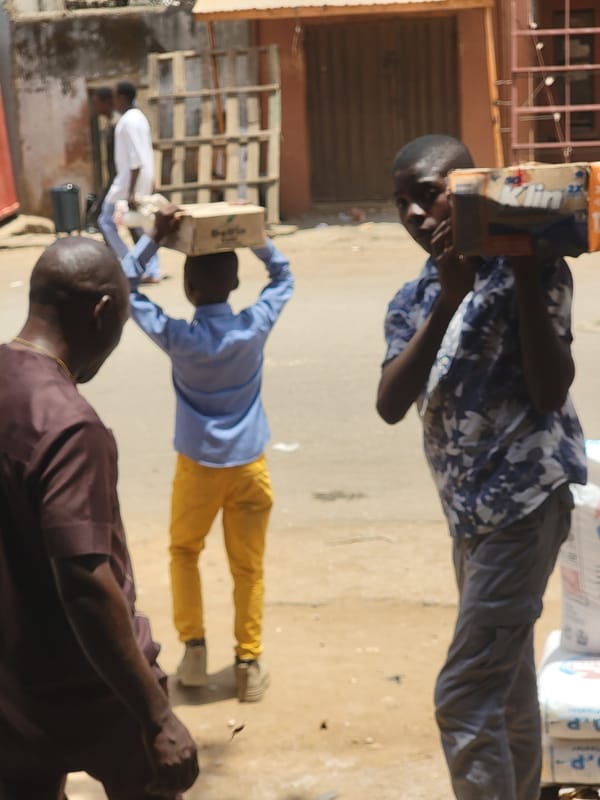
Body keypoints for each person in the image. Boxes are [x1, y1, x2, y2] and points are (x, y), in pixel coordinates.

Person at [376, 134, 586, 800]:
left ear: (470, 188)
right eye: (402, 202)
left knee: (463, 695)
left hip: (524, 504)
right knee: (506, 684)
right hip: (471, 518)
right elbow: (389, 402)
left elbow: (551, 389)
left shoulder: (535, 269)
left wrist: (521, 269)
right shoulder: (415, 298)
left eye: (429, 193)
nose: (415, 213)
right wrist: (446, 299)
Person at [0, 237, 199, 799]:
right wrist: (158, 717)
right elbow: (86, 582)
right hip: (94, 687)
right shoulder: (68, 425)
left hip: (12, 689)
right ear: (103, 312)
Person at [120, 209, 294, 702]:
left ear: (189, 290)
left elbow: (127, 290)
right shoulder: (254, 326)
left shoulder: (180, 338)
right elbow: (284, 277)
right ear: (236, 282)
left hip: (198, 467)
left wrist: (152, 239)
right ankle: (248, 664)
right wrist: (254, 237)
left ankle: (193, 652)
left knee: (184, 552)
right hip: (249, 467)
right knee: (248, 566)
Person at [98, 80, 161, 284]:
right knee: (142, 224)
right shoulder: (140, 117)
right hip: (140, 179)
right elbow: (147, 153)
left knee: (105, 221)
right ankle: (151, 269)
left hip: (128, 181)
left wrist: (132, 191)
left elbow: (135, 157)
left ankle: (130, 263)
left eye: (115, 97)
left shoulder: (128, 121)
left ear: (123, 98)